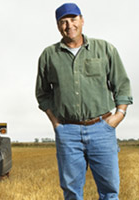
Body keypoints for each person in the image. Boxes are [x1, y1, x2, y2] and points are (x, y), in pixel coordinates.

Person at [35, 3, 133, 200]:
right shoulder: (49, 55)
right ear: (57, 25)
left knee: (110, 192)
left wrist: (117, 116)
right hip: (68, 132)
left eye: (73, 19)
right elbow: (42, 94)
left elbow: (121, 86)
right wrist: (56, 124)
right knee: (71, 193)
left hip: (102, 129)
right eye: (63, 21)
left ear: (82, 20)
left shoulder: (105, 49)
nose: (69, 25)